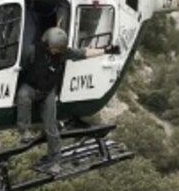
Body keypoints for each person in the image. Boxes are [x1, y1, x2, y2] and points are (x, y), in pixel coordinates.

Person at [16, 23, 118, 171]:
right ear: (46, 44)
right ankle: (24, 131)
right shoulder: (32, 51)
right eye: (55, 49)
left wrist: (107, 50)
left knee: (51, 126)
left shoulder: (63, 53)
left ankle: (55, 160)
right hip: (31, 87)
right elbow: (20, 68)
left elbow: (83, 53)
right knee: (22, 96)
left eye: (59, 49)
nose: (57, 52)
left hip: (48, 91)